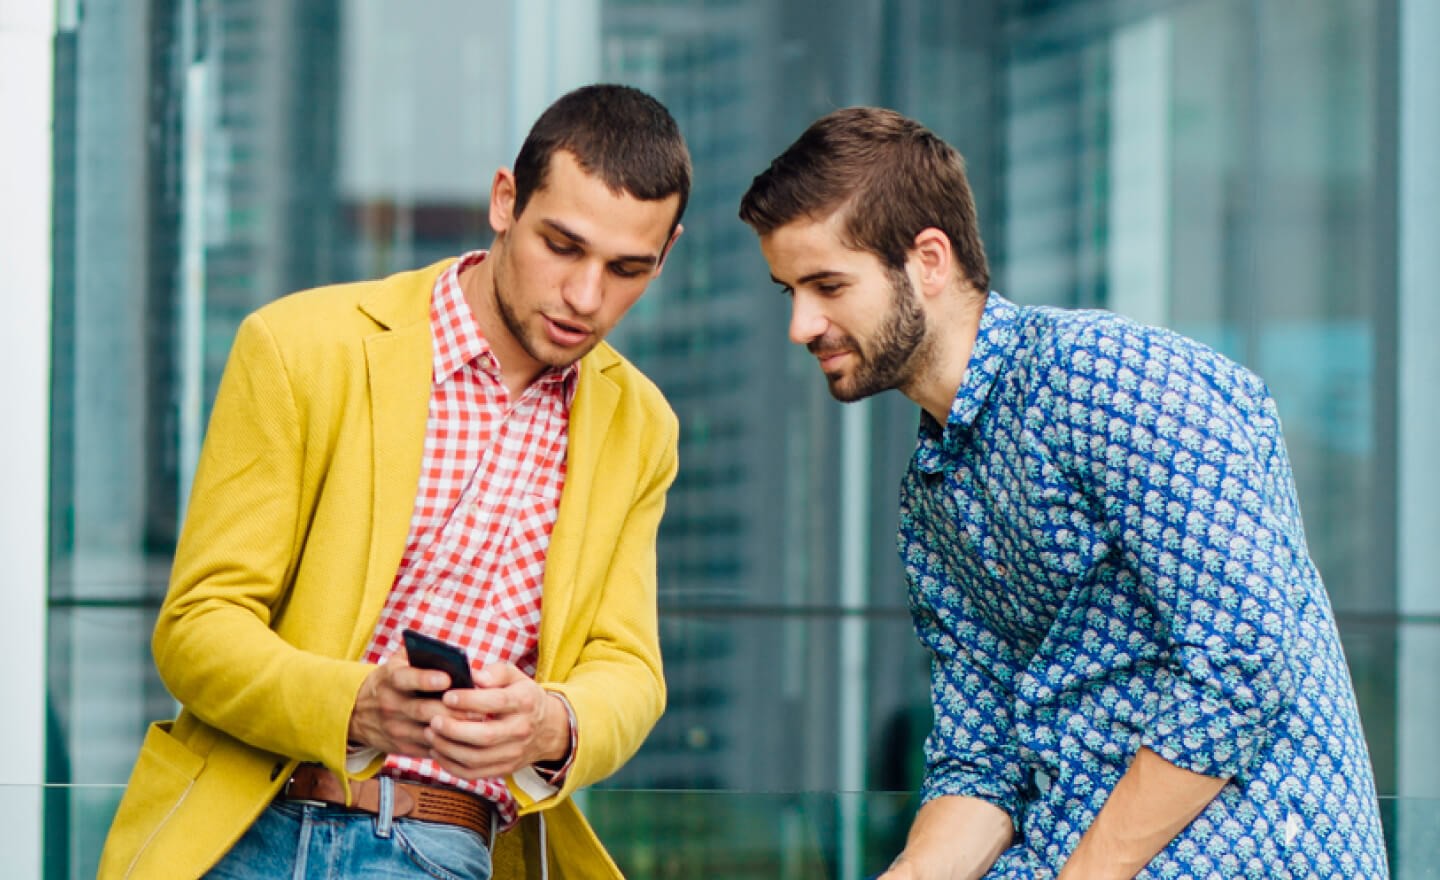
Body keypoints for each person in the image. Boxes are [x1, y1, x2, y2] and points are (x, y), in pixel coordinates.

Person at [739, 107, 1387, 879]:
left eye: (827, 285)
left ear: (929, 261)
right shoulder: (935, 490)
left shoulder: (1104, 377)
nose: (802, 325)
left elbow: (1243, 660)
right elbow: (983, 761)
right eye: (790, 292)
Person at [99, 83, 689, 880]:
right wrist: (353, 702)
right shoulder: (299, 347)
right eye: (562, 246)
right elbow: (197, 627)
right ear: (504, 201)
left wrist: (552, 724)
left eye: (627, 269)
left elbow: (629, 669)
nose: (586, 297)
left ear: (667, 254)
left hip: (442, 847)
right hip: (245, 830)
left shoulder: (639, 425)